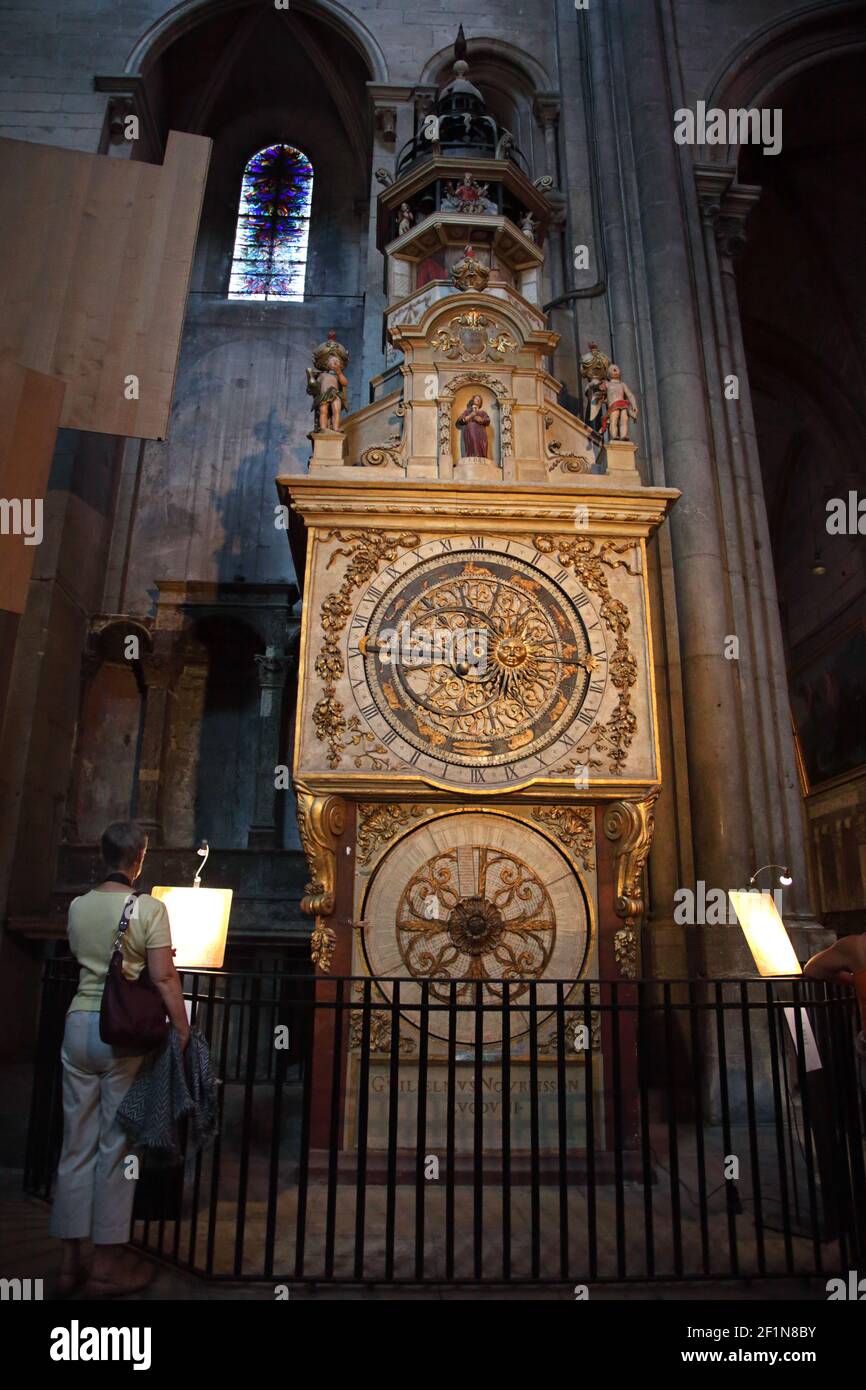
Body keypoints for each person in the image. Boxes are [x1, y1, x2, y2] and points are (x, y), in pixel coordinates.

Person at [51, 820, 190, 1296]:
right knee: (116, 1150)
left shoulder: (77, 906)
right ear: (140, 858)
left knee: (75, 1147)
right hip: (121, 1037)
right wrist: (184, 1029)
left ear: (102, 854)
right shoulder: (149, 908)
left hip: (77, 1027)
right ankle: (107, 1267)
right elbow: (164, 976)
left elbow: (83, 960)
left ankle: (70, 1263)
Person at [804, 931, 866, 1093]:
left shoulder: (856, 946)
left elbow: (814, 969)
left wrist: (857, 981)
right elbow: (813, 969)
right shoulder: (855, 946)